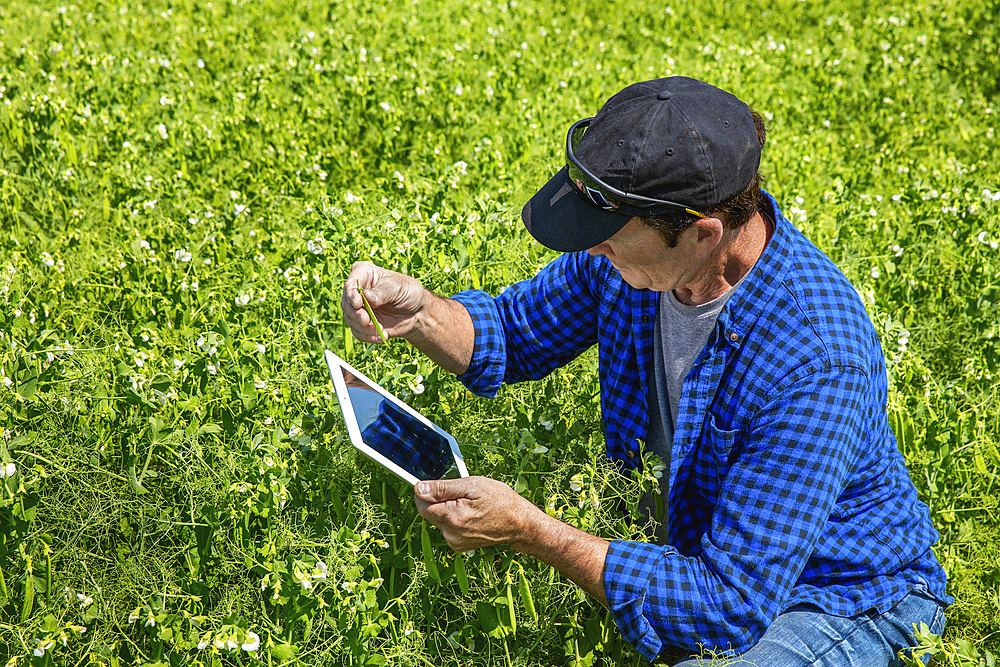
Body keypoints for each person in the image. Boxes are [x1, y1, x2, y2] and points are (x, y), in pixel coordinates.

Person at [340, 76, 951, 665]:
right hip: (710, 562)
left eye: (607, 236)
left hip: (840, 595)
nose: (590, 249)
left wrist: (533, 531)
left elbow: (728, 604)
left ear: (703, 235)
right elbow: (511, 333)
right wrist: (419, 313)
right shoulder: (630, 259)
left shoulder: (815, 356)